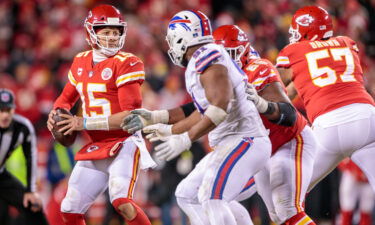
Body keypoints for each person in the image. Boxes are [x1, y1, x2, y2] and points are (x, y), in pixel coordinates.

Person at [124, 10, 272, 225]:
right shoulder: (202, 59)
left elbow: (220, 106)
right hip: (231, 142)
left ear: (184, 36)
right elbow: (201, 111)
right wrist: (164, 124)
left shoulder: (206, 55)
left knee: (212, 198)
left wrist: (185, 139)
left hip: (244, 139)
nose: (171, 45)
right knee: (186, 194)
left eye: (173, 39)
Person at [46, 5, 156, 225]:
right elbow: (66, 98)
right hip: (97, 146)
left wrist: (82, 122)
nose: (112, 37)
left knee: (121, 202)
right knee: (69, 208)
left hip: (124, 142)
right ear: (91, 33)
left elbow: (128, 117)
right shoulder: (80, 61)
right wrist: (55, 114)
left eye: (116, 32)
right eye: (106, 32)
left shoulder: (127, 63)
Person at [212, 24, 317, 225]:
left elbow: (289, 114)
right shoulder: (216, 79)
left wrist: (262, 104)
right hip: (263, 149)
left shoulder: (257, 68)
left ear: (243, 50)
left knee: (288, 209)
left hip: (290, 140)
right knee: (277, 216)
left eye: (230, 54)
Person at [275, 6, 375, 193]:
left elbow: (273, 85)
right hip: (367, 118)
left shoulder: (293, 52)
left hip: (330, 125)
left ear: (308, 31)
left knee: (291, 194)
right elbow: (309, 79)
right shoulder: (347, 43)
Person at [0, 88, 49, 225]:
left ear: (13, 110)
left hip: (2, 175)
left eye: (8, 110)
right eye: (1, 110)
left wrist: (30, 190)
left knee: (33, 207)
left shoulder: (22, 127)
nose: (5, 115)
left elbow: (31, 156)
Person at [338, 159, 374, 225]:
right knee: (347, 209)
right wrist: (350, 167)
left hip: (368, 177)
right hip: (351, 173)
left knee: (366, 211)